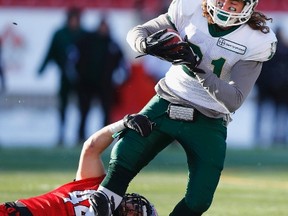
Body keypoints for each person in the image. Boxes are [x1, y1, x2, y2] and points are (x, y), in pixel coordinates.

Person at [90, 0, 277, 215]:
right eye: (221, 0)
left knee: (200, 198)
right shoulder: (190, 8)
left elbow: (234, 99)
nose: (225, 6)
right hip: (169, 99)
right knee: (125, 153)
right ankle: (100, 208)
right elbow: (138, 32)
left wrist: (197, 67)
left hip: (210, 117)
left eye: (232, 2)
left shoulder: (256, 39)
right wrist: (146, 44)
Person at [0, 113, 158, 216]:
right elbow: (91, 149)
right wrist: (122, 124)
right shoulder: (99, 186)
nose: (130, 209)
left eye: (136, 214)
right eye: (135, 206)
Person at [38, 7, 86, 145]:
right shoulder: (59, 34)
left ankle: (80, 134)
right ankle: (61, 133)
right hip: (64, 76)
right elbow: (51, 52)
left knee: (82, 106)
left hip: (81, 78)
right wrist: (42, 68)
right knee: (63, 105)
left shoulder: (84, 34)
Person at [76, 16, 129, 142]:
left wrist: (121, 79)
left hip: (105, 84)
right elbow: (76, 60)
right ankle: (80, 136)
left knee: (106, 112)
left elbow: (122, 63)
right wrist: (80, 75)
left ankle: (105, 138)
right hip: (87, 83)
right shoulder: (87, 41)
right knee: (84, 111)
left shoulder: (112, 43)